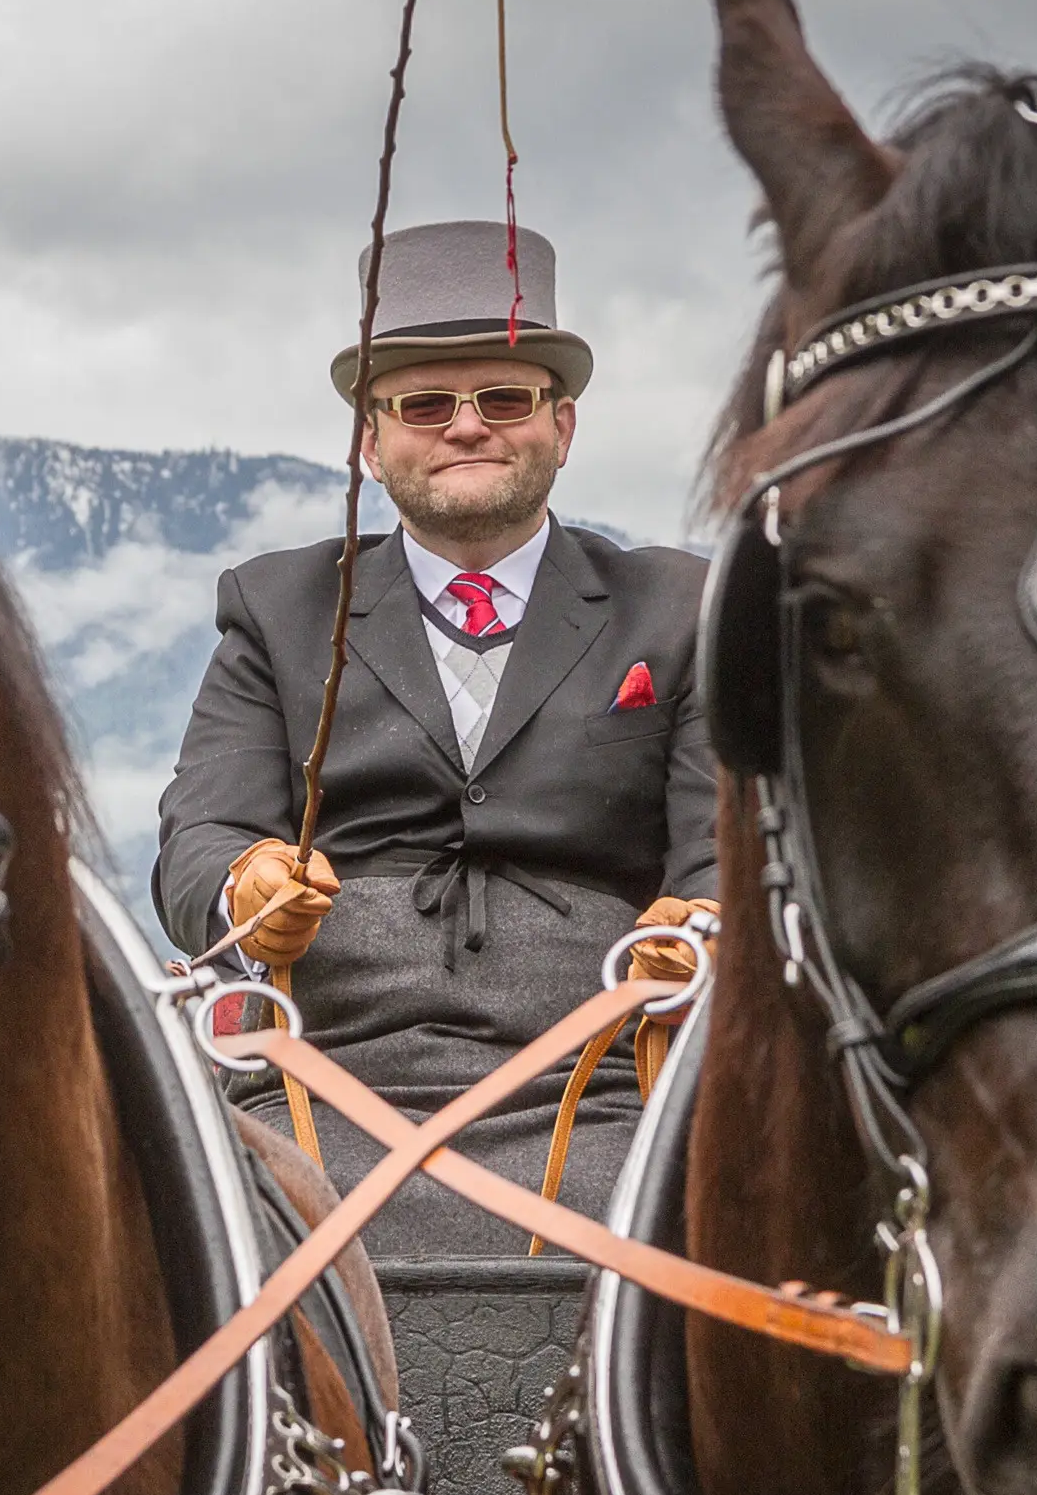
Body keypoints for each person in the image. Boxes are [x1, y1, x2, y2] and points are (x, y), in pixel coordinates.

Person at [154, 220, 716, 1256]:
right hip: (321, 1072)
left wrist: (705, 913)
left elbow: (721, 848)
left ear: (563, 423)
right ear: (372, 438)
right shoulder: (275, 609)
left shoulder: (675, 609)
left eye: (504, 398)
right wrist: (247, 886)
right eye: (425, 404)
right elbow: (201, 834)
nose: (468, 427)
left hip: (604, 1071)